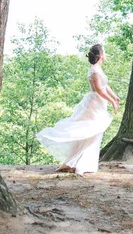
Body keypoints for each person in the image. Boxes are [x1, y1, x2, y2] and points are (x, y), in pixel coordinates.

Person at [36, 44, 120, 175]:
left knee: (93, 133)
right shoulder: (94, 71)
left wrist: (115, 97)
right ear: (100, 55)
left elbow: (105, 85)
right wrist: (112, 101)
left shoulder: (98, 70)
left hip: (99, 104)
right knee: (89, 132)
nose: (106, 54)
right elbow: (99, 90)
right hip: (94, 104)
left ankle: (77, 162)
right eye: (104, 52)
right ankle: (77, 163)